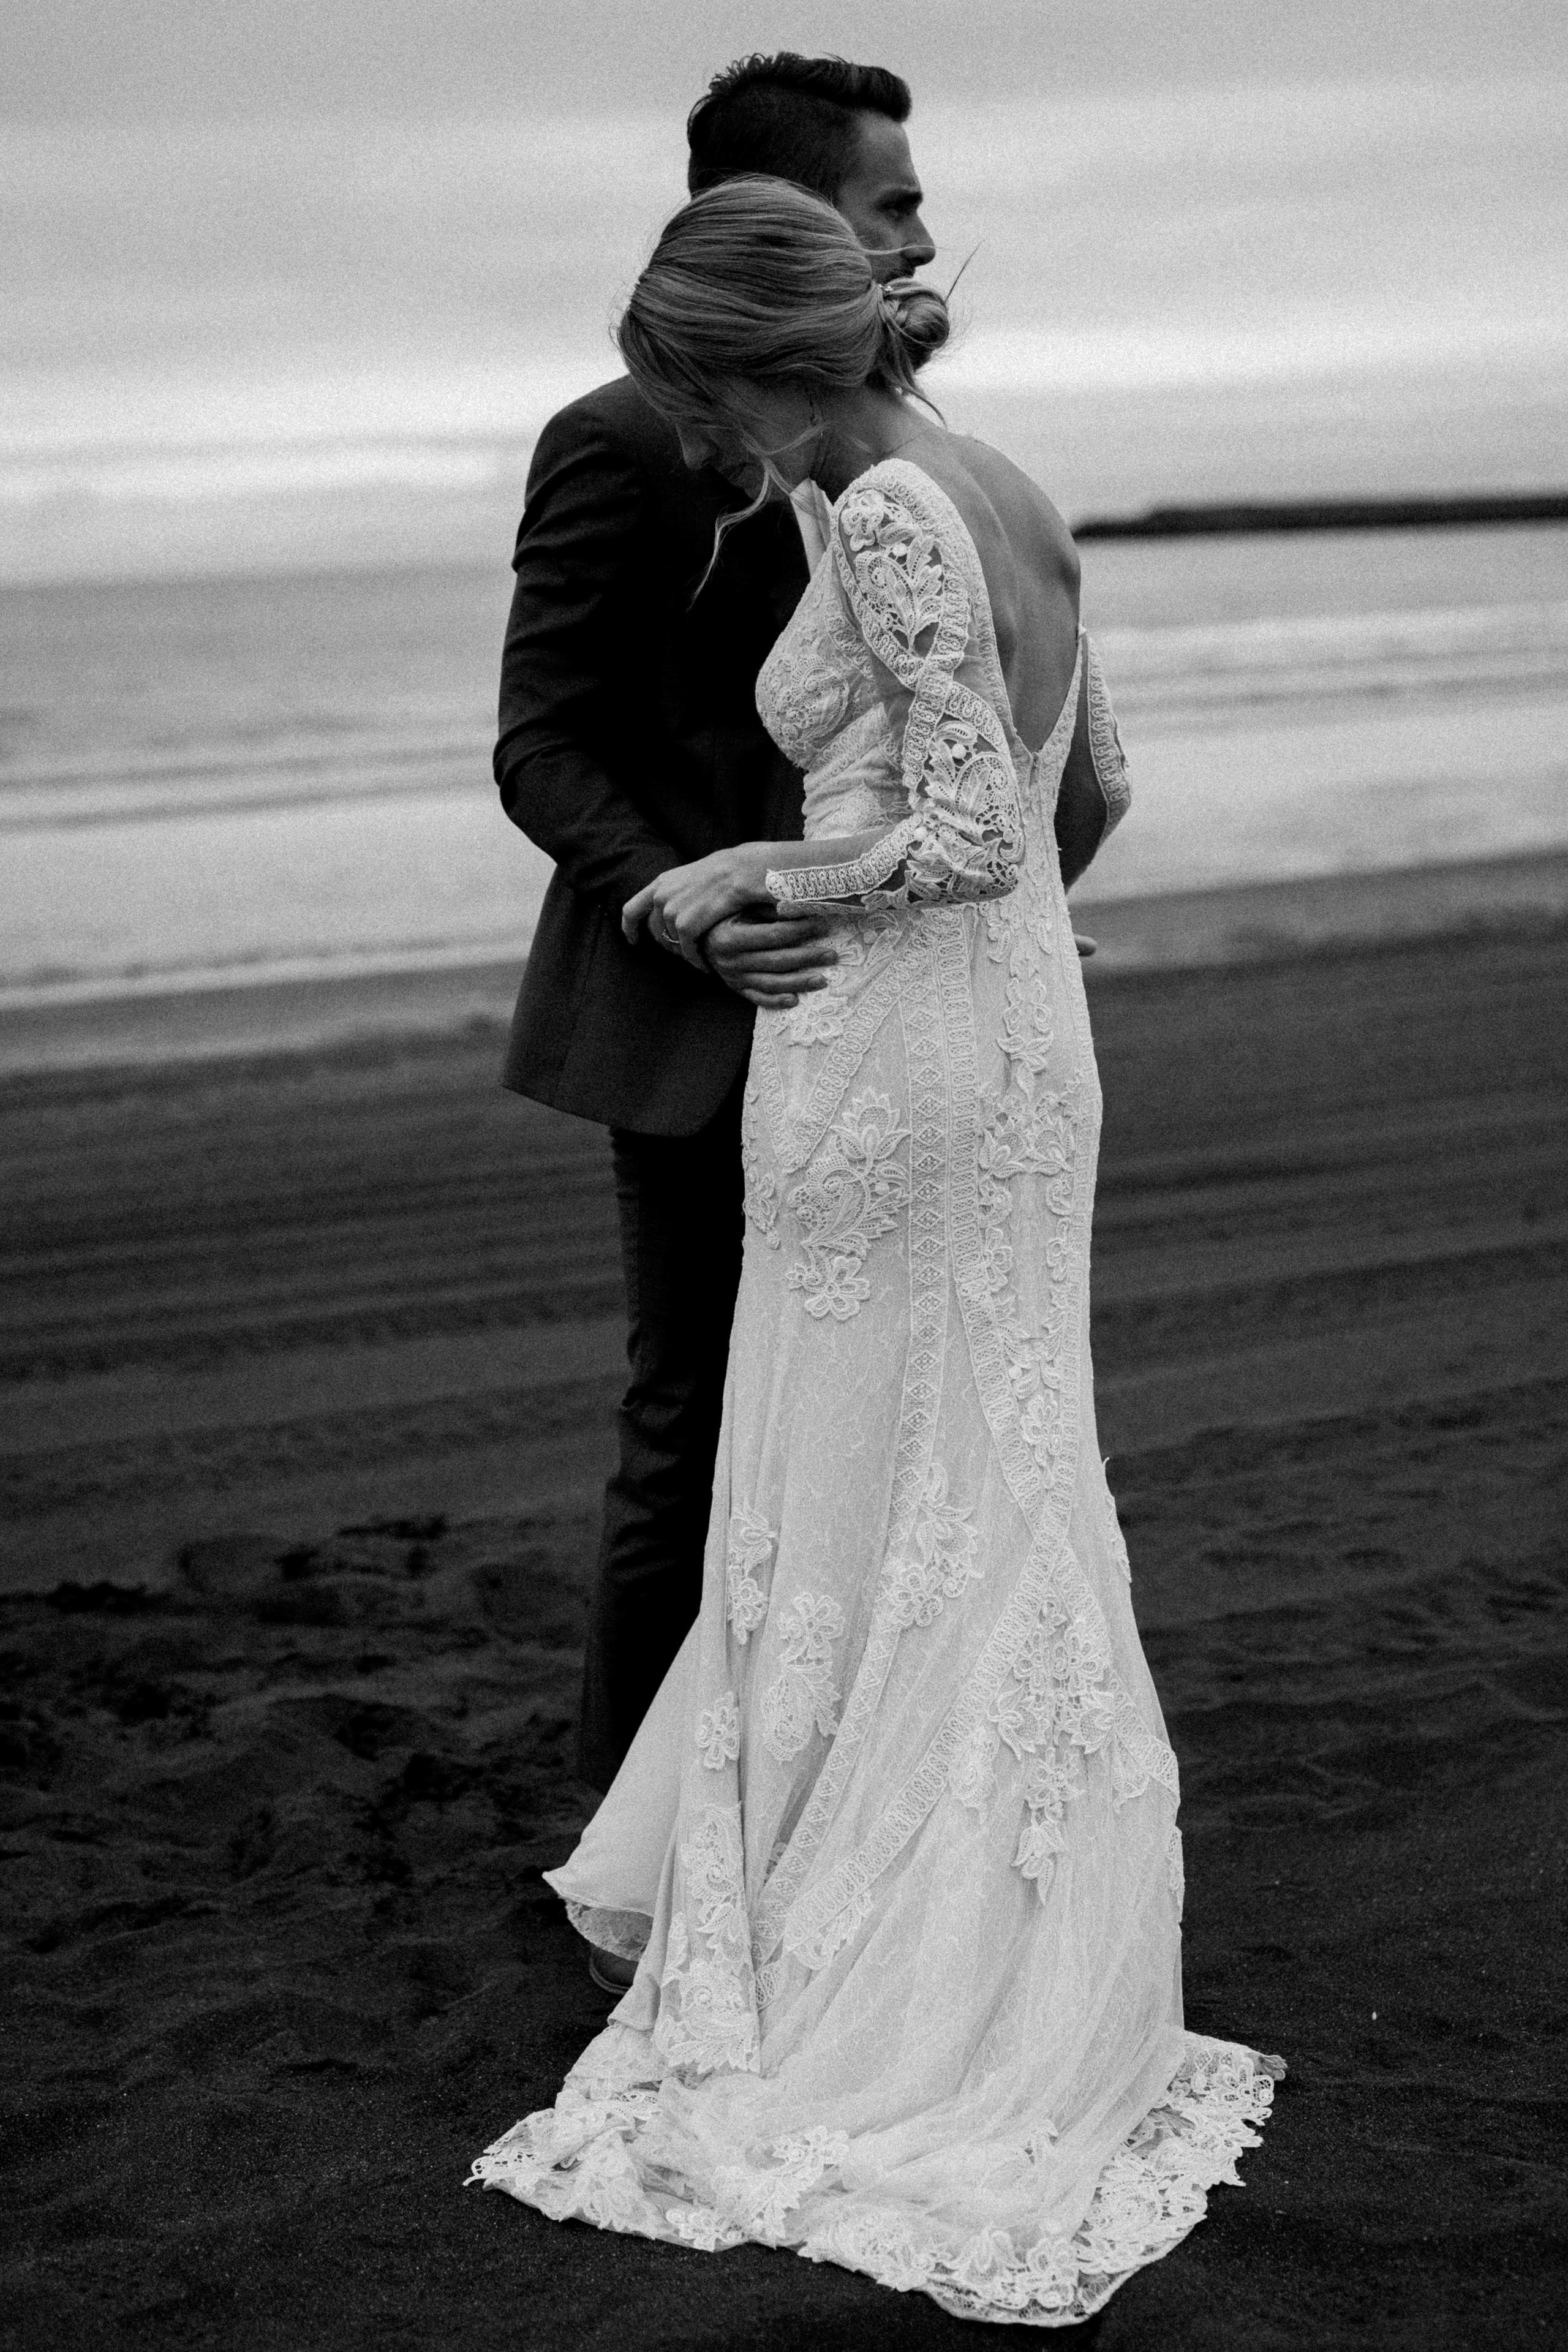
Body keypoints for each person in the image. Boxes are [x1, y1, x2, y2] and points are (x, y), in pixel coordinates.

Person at [472, 179, 1281, 2327]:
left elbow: (967, 828)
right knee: (980, 1462)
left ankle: (895, 1956)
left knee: (861, 1460)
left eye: (688, 386)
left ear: (748, 363)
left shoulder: (880, 506)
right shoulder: (999, 473)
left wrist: (744, 860)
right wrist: (998, 930)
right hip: (1016, 1034)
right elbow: (1088, 775)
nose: (694, 431)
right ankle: (987, 1906)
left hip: (892, 1047)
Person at [494, 55, 1128, 1861]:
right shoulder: (626, 441)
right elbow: (541, 742)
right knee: (698, 1428)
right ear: (777, 213)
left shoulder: (909, 466)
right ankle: (648, 1814)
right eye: (898, 200)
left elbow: (1043, 769)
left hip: (904, 1005)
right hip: (715, 1000)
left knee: (892, 1439)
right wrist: (697, 896)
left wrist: (982, 913)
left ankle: (848, 1824)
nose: (923, 235)